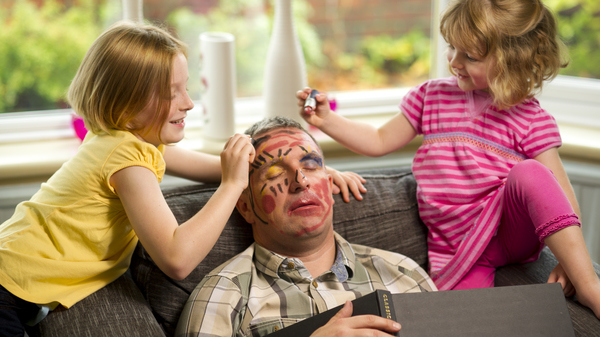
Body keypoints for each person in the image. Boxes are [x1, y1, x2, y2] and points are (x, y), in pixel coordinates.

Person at [0, 22, 362, 336]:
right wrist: (232, 186)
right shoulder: (126, 158)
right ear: (125, 106)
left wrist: (310, 170)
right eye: (171, 93)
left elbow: (226, 166)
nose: (188, 103)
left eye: (185, 87)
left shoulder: (129, 142)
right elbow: (177, 258)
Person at [296, 0, 600, 319]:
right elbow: (378, 140)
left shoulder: (530, 119)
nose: (454, 61)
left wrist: (569, 263)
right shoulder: (431, 96)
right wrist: (326, 120)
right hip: (458, 249)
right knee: (461, 322)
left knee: (529, 173)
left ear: (513, 60)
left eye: (470, 56)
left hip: (507, 230)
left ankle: (591, 287)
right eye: (452, 48)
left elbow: (562, 198)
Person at [175, 116, 437, 337]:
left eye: (311, 165)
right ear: (245, 207)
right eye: (276, 173)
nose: (300, 181)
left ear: (329, 184)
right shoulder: (222, 296)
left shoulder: (404, 275)